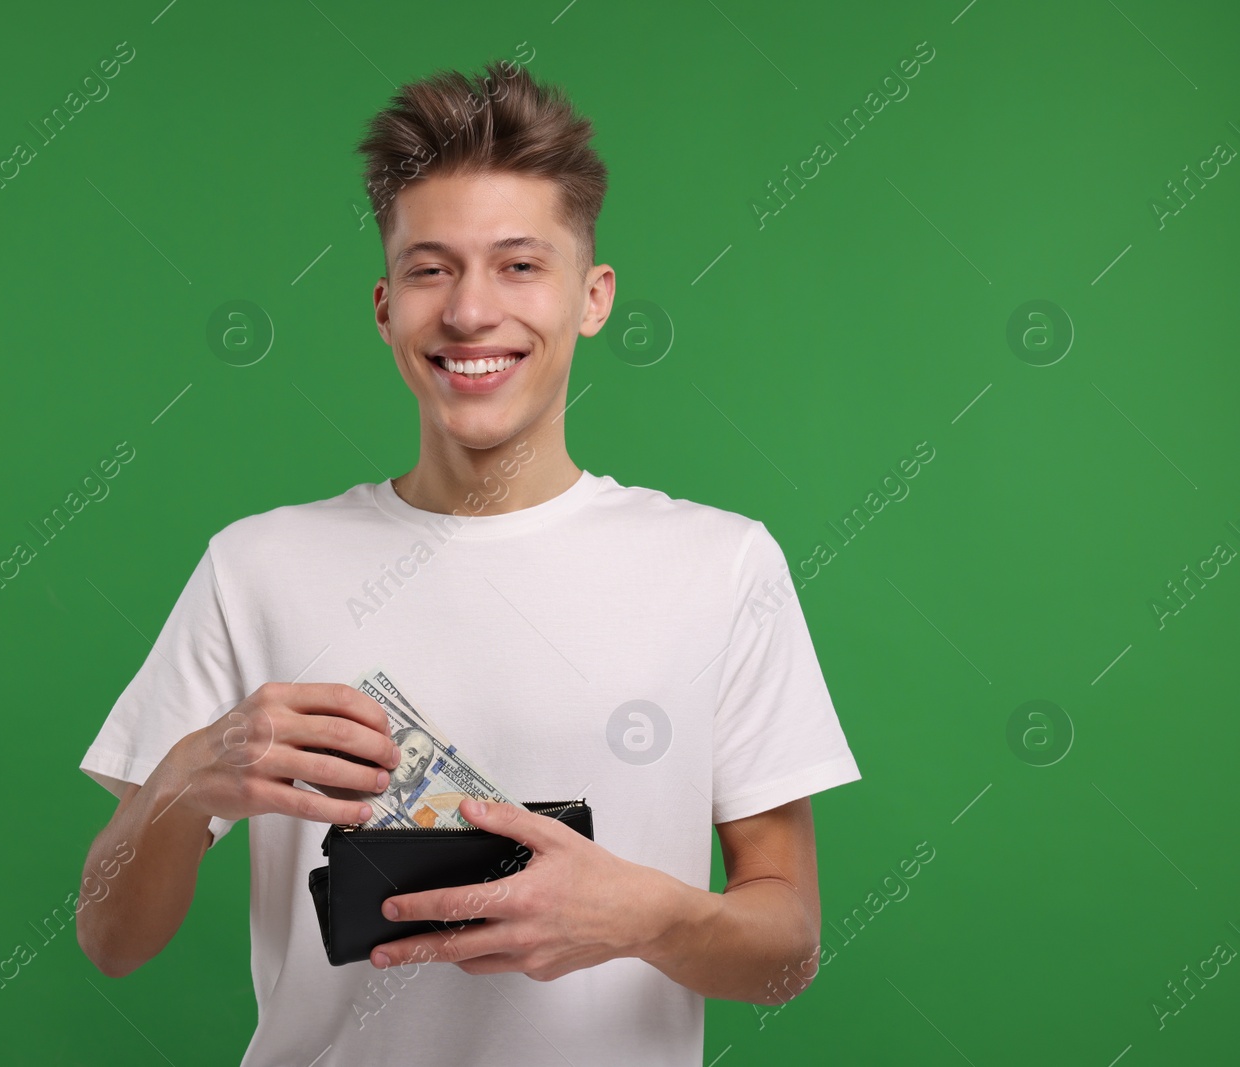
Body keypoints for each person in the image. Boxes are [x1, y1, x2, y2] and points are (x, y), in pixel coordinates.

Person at [77, 57, 861, 1066]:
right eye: (430, 267)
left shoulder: (720, 565)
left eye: (520, 265)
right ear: (383, 305)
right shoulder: (255, 565)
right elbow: (111, 938)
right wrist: (186, 777)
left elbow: (785, 952)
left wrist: (642, 915)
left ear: (592, 296)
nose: (469, 311)